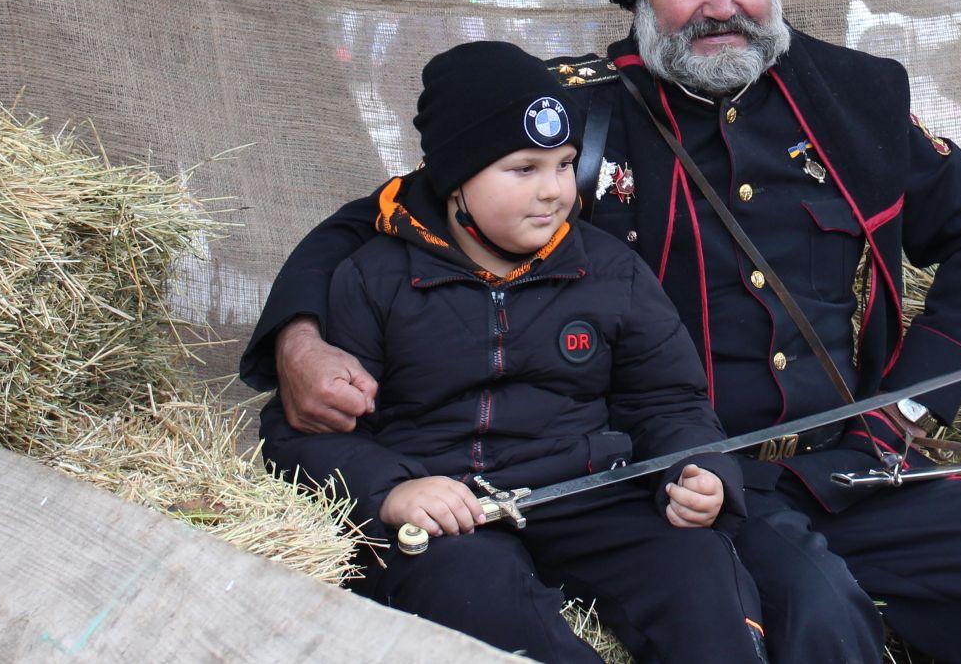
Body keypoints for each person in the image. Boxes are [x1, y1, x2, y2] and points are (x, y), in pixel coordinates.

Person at [244, 0, 961, 664]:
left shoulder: (856, 96)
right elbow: (386, 216)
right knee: (818, 623)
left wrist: (907, 407)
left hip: (855, 468)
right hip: (686, 483)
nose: (721, 6)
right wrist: (299, 337)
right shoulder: (577, 118)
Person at [258, 41, 767, 664]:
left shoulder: (611, 271)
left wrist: (699, 468)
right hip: (450, 517)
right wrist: (390, 492)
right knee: (473, 595)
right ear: (455, 179)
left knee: (696, 568)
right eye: (523, 169)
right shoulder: (372, 279)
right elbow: (302, 434)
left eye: (564, 164)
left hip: (587, 494)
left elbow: (669, 399)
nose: (554, 191)